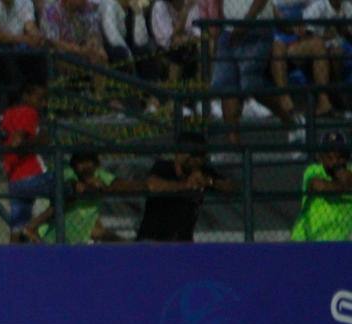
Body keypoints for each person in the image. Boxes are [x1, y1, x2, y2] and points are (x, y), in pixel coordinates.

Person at [210, 0, 303, 149]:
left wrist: (245, 23)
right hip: (228, 31)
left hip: (256, 29)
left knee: (251, 84)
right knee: (227, 88)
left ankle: (290, 121)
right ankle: (234, 147)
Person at [24, 150, 144, 243]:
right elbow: (78, 188)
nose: (85, 166)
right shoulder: (68, 172)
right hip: (51, 236)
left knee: (103, 234)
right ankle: (32, 226)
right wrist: (99, 188)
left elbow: (119, 184)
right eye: (81, 162)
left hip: (80, 239)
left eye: (89, 162)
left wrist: (146, 185)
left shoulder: (99, 174)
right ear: (75, 165)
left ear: (96, 164)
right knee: (69, 196)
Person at [136, 132, 235, 241]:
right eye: (192, 156)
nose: (197, 161)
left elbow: (230, 186)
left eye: (200, 156)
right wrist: (186, 185)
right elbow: (152, 185)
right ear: (179, 154)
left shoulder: (202, 171)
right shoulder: (163, 167)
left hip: (183, 240)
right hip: (153, 238)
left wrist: (209, 181)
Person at [1, 81, 57, 242]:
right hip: (31, 175)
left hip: (14, 180)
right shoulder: (28, 112)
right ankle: (33, 226)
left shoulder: (9, 113)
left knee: (16, 227)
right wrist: (41, 139)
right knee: (69, 187)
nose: (43, 104)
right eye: (40, 99)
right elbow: (16, 144)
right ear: (26, 96)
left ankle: (13, 263)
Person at [290, 131, 352, 241]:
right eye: (329, 157)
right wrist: (343, 182)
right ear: (321, 157)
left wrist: (342, 175)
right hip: (306, 241)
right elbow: (320, 186)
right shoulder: (313, 170)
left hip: (339, 245)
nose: (335, 161)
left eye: (340, 156)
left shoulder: (349, 171)